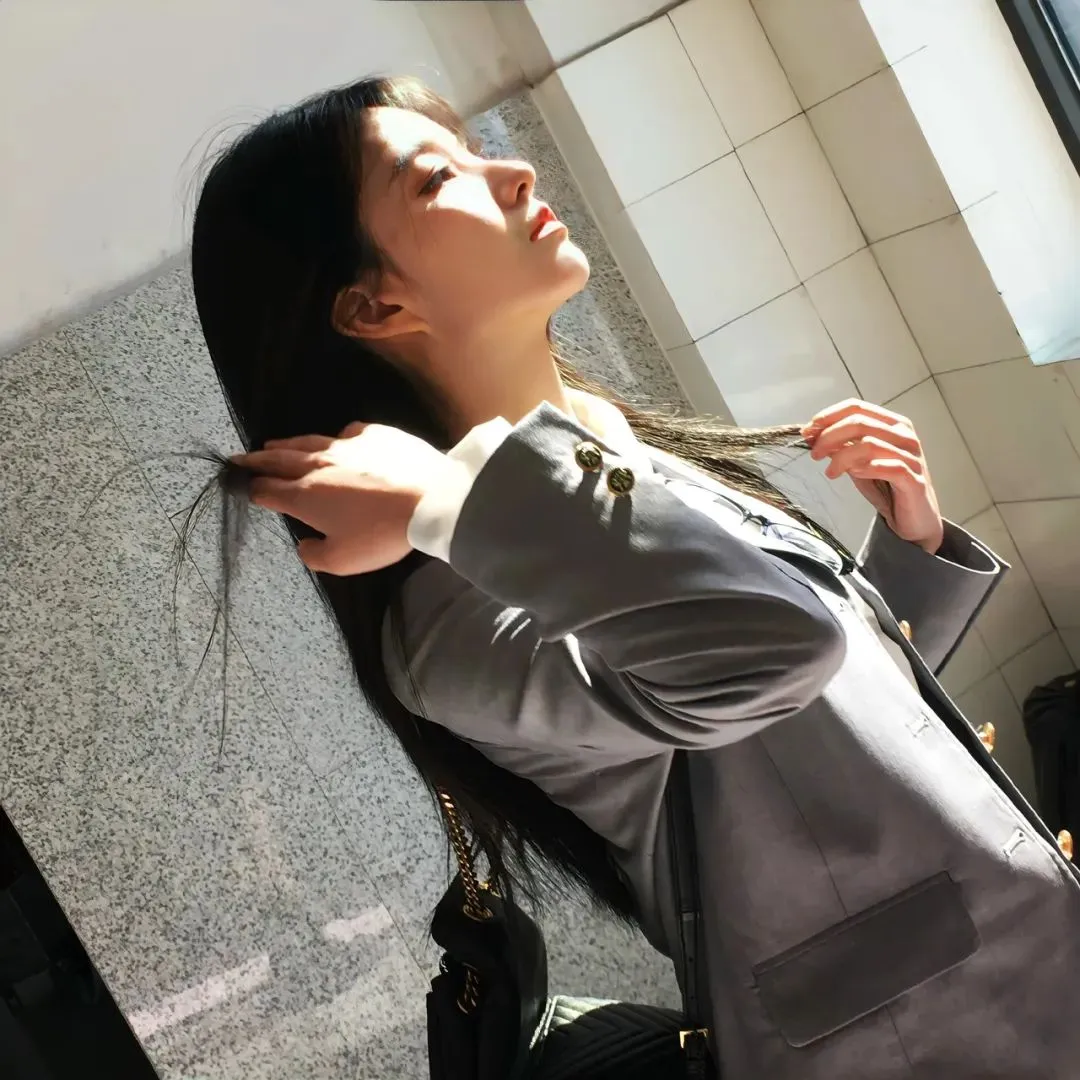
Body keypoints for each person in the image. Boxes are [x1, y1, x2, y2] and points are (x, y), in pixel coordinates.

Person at [190, 75, 1080, 1079]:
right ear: (372, 304)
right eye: (440, 177)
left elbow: (801, 727)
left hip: (1018, 974)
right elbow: (770, 655)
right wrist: (452, 504)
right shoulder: (447, 618)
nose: (513, 171)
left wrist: (907, 560)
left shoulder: (603, 452)